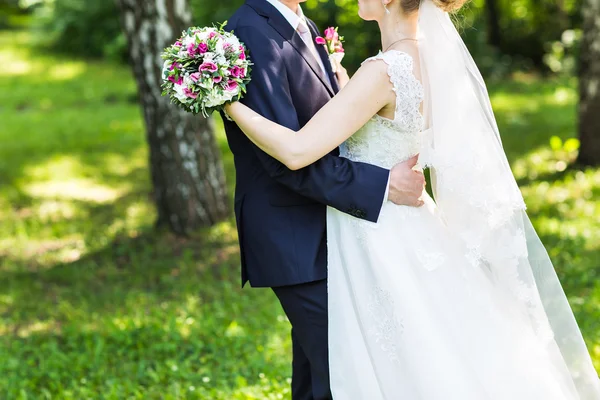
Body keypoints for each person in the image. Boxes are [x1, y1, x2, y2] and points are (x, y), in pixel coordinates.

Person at [224, 0, 600, 398]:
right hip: (410, 225)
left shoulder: (383, 70)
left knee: (374, 371)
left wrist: (230, 103)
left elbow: (299, 151)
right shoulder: (426, 61)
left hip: (374, 233)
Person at [223, 1, 426, 399]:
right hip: (294, 235)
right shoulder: (250, 30)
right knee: (346, 375)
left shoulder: (308, 26)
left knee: (322, 380)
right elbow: (285, 160)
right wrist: (382, 185)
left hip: (344, 227)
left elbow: (330, 132)